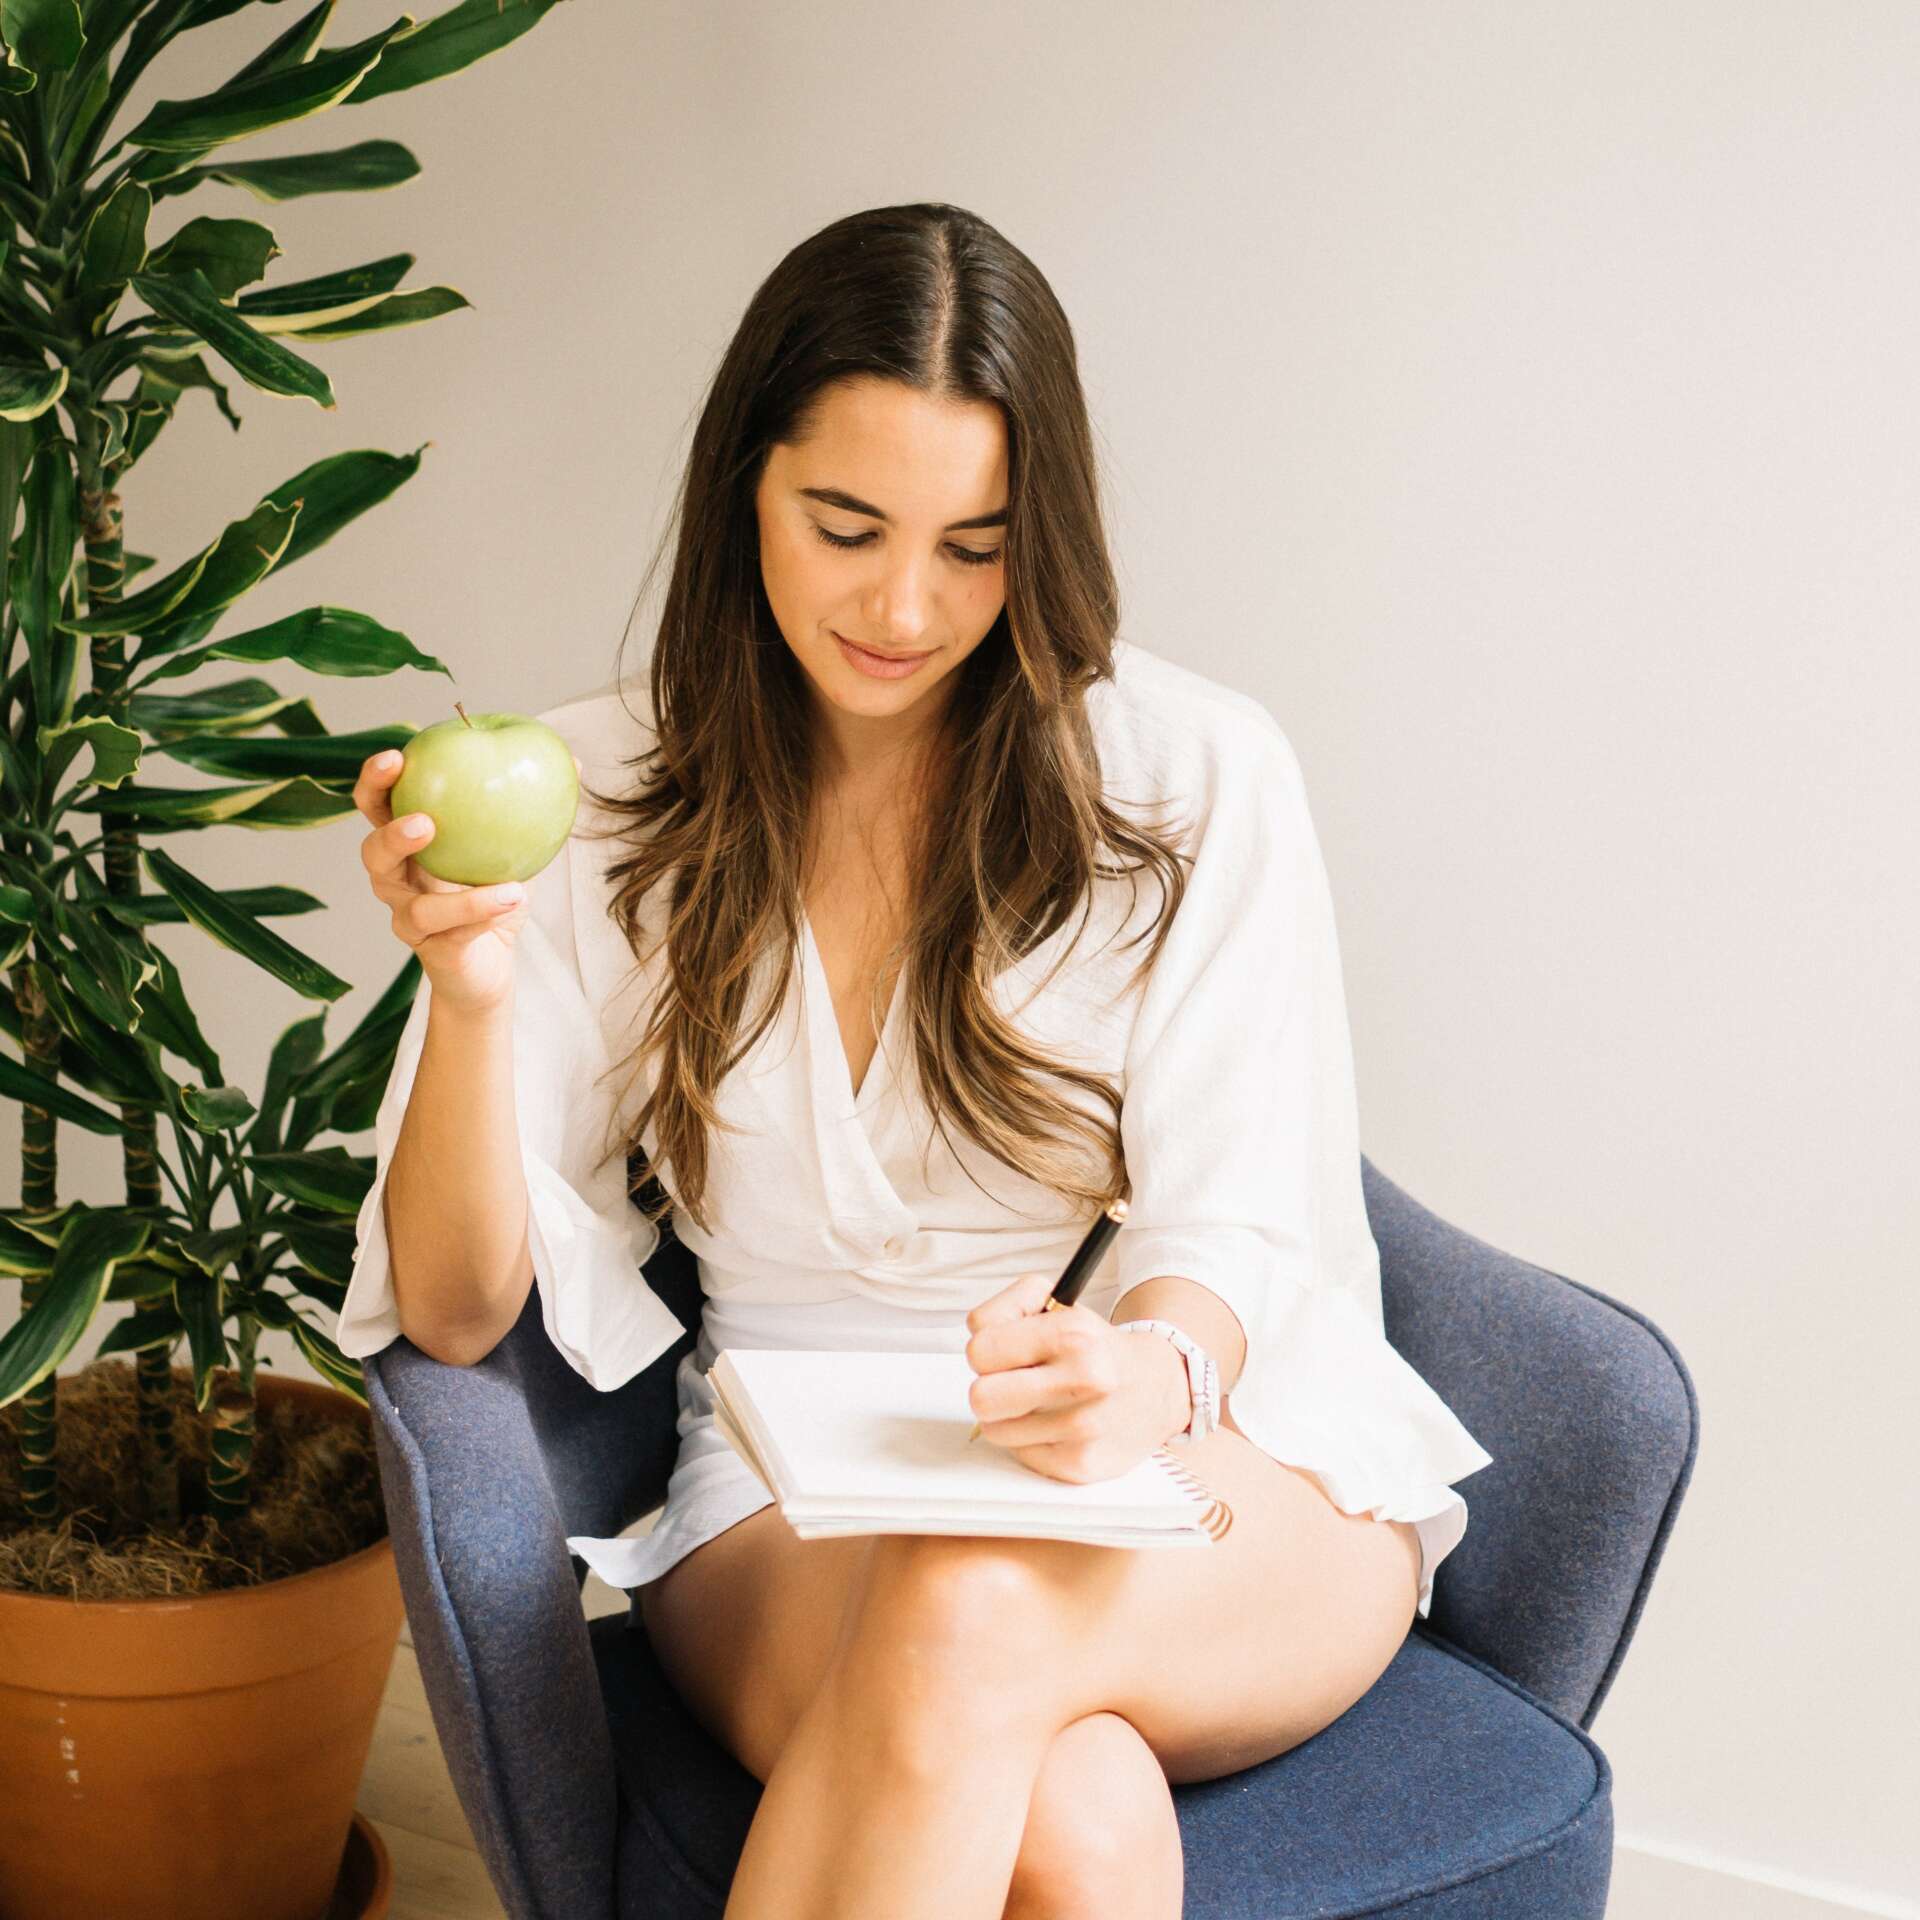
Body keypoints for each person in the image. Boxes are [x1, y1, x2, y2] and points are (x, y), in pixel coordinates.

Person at [337, 202, 1493, 1920]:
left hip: (1212, 1446)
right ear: (747, 489)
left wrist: (1149, 1373)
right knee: (1071, 1820)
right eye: (847, 526)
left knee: (978, 1605)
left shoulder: (1190, 773)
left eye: (976, 545)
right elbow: (449, 1312)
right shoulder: (602, 793)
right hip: (784, 1501)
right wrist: (472, 993)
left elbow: (1246, 1205)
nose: (904, 604)